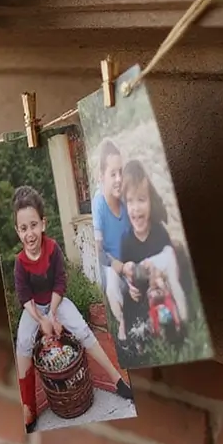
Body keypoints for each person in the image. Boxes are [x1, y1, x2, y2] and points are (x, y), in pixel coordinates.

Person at [12, 185, 133, 432]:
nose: (30, 234)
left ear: (43, 224)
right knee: (23, 343)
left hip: (56, 302)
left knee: (82, 329)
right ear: (17, 231)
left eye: (33, 225)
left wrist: (54, 314)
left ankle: (117, 380)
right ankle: (28, 405)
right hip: (33, 308)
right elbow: (24, 296)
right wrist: (41, 319)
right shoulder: (20, 262)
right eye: (23, 228)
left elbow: (60, 283)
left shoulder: (53, 249)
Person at [119, 159, 188, 336]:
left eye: (141, 200)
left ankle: (178, 323)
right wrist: (129, 285)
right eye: (130, 201)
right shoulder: (126, 240)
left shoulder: (159, 233)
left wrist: (162, 277)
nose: (136, 209)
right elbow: (126, 271)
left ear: (150, 201)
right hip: (142, 297)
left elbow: (171, 267)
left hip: (162, 292)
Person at [92, 139, 131, 341]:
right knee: (113, 286)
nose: (118, 179)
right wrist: (117, 265)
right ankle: (123, 321)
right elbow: (99, 253)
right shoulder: (99, 205)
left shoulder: (125, 201)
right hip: (110, 263)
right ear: (102, 177)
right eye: (112, 174)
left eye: (121, 172)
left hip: (128, 258)